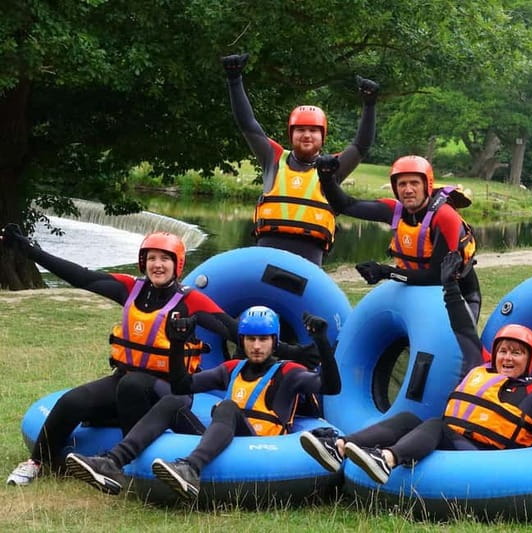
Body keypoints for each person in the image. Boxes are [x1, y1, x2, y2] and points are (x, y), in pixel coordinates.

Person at [298, 252, 532, 484]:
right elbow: (463, 328)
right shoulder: (479, 367)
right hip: (452, 444)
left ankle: (388, 458)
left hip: (481, 457)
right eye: (503, 351)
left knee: (436, 425)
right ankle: (341, 446)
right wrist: (452, 286)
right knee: (411, 419)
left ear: (528, 361)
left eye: (517, 354)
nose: (507, 358)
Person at [1, 228, 238, 486]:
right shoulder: (129, 289)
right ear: (143, 262)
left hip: (170, 392)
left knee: (133, 384)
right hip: (126, 379)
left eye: (165, 259)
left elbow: (234, 330)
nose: (157, 265)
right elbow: (82, 277)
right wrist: (31, 251)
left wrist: (284, 350)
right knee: (73, 401)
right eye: (152, 258)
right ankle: (36, 462)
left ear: (177, 264)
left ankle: (121, 464)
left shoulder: (191, 300)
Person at [64, 306, 340, 499]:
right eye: (251, 339)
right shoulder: (232, 368)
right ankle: (113, 462)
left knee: (227, 408)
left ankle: (191, 469)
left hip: (256, 443)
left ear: (274, 342)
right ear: (241, 341)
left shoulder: (288, 372)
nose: (257, 346)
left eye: (263, 340)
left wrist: (321, 342)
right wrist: (176, 344)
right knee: (174, 402)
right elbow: (182, 385)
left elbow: (331, 387)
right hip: (224, 438)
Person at [221, 53, 379, 266]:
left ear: (322, 137)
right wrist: (234, 80)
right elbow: (248, 123)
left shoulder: (331, 168)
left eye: (314, 130)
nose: (306, 135)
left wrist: (369, 105)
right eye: (300, 130)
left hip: (309, 262)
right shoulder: (273, 158)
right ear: (291, 134)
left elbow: (362, 145)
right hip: (265, 258)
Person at [315, 154, 481, 320]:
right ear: (395, 188)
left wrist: (385, 272)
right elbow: (345, 205)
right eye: (402, 184)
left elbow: (436, 277)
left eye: (414, 183)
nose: (408, 190)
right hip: (415, 291)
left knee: (457, 345)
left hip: (458, 295)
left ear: (427, 185)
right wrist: (327, 177)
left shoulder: (445, 217)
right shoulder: (394, 210)